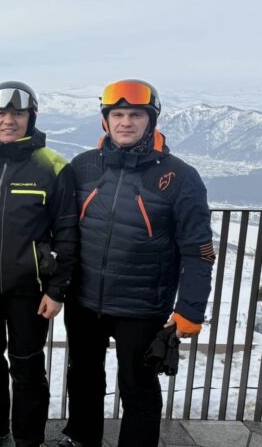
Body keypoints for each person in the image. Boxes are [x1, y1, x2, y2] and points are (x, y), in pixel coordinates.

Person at [58, 79, 215, 447]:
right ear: (105, 120)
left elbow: (199, 251)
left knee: (138, 386)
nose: (125, 122)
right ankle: (81, 437)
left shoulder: (180, 177)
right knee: (83, 377)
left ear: (151, 120)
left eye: (135, 115)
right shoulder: (83, 166)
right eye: (117, 114)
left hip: (142, 305)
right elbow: (62, 229)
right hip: (84, 300)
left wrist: (190, 310)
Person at [0, 81, 79, 447]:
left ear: (31, 118)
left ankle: (28, 438)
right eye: (0, 113)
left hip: (30, 289)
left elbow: (67, 234)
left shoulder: (52, 167)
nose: (8, 121)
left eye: (18, 114)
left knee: (27, 366)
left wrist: (57, 290)